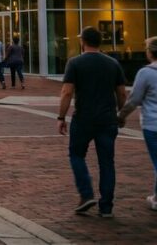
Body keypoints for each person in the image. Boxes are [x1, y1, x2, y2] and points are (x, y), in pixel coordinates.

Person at [57, 26, 127, 217]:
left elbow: (67, 92)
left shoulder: (75, 63)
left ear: (83, 42)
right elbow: (121, 93)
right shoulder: (113, 64)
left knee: (76, 154)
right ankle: (106, 207)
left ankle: (86, 194)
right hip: (107, 119)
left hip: (84, 118)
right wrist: (121, 114)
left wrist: (61, 117)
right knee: (107, 162)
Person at [117, 36, 157, 211]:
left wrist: (121, 116)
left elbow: (134, 99)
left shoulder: (146, 73)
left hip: (153, 124)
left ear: (150, 52)